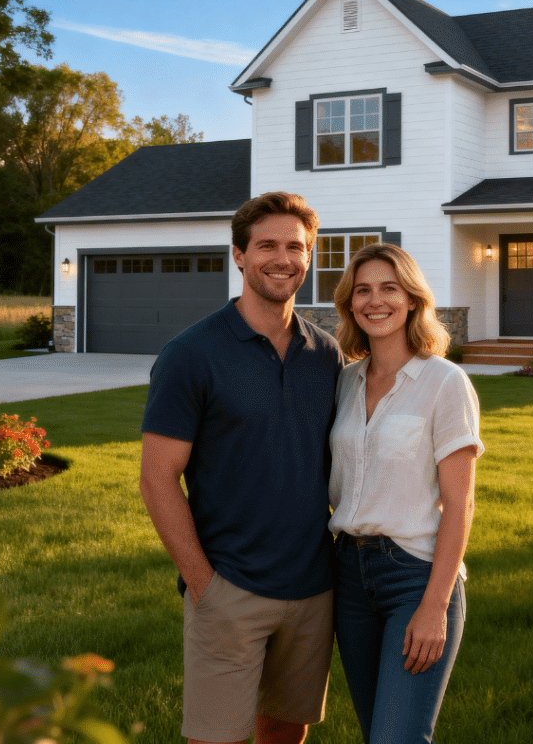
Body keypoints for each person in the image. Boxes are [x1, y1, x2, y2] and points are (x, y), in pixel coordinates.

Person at [139, 191, 342, 744]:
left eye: (295, 246)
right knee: (215, 738)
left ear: (311, 255)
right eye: (266, 245)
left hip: (313, 587)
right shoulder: (191, 354)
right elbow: (157, 478)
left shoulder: (326, 354)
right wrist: (204, 584)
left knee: (283, 730)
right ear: (239, 255)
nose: (282, 258)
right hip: (230, 587)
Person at [328, 242, 483, 744]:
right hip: (348, 576)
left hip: (414, 575)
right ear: (351, 303)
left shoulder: (445, 383)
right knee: (378, 732)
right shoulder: (345, 383)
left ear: (412, 299)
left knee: (396, 737)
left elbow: (460, 506)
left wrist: (435, 605)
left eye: (389, 289)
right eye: (363, 290)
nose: (376, 301)